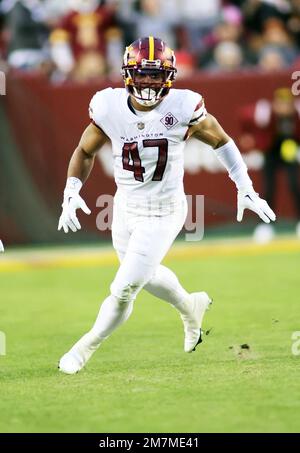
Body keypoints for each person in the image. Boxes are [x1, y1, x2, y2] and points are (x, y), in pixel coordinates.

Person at [58, 36, 276, 374]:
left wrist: (244, 185)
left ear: (169, 77)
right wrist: (71, 191)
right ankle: (191, 307)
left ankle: (83, 349)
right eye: (142, 74)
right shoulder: (107, 106)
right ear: (128, 73)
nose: (148, 81)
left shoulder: (183, 106)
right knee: (145, 277)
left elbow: (222, 140)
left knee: (124, 287)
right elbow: (85, 151)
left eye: (155, 75)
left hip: (163, 211)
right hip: (125, 207)